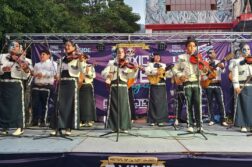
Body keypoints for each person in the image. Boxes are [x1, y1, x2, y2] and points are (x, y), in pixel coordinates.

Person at [50, 39, 85, 136]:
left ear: (74, 47)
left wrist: (81, 60)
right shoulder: (61, 60)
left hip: (71, 83)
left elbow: (83, 71)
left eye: (69, 45)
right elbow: (58, 73)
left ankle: (68, 127)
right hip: (62, 84)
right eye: (66, 45)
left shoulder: (78, 59)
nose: (67, 47)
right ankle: (57, 126)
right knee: (59, 105)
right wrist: (57, 76)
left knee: (70, 105)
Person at [173, 37, 207, 133]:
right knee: (189, 104)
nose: (191, 48)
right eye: (189, 46)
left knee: (197, 104)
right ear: (186, 47)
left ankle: (199, 125)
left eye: (193, 46)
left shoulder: (199, 58)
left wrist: (204, 70)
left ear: (196, 47)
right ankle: (190, 125)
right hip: (187, 82)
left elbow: (203, 72)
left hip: (196, 82)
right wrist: (180, 75)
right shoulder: (181, 57)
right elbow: (175, 69)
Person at [101, 47, 138, 132]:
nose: (120, 53)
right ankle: (115, 126)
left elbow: (130, 76)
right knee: (114, 107)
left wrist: (135, 70)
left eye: (122, 52)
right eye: (118, 52)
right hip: (114, 87)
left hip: (123, 87)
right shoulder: (111, 62)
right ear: (116, 54)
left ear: (124, 54)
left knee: (124, 107)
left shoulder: (127, 64)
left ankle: (124, 126)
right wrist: (108, 74)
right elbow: (103, 72)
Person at [0, 41, 32, 136]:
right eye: (13, 46)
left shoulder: (25, 59)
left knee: (17, 106)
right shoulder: (2, 56)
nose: (15, 47)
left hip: (16, 84)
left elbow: (26, 75)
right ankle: (4, 127)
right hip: (3, 85)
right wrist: (2, 69)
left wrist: (25, 67)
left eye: (17, 46)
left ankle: (19, 127)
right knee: (3, 107)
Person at [31, 49, 57, 127]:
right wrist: (35, 74)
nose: (41, 56)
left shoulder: (53, 64)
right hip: (36, 86)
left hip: (47, 86)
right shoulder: (37, 64)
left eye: (43, 54)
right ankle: (35, 121)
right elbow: (33, 73)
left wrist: (43, 74)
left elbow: (54, 73)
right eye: (41, 54)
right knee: (35, 104)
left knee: (45, 105)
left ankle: (43, 121)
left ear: (48, 55)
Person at [204, 49, 228, 127]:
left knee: (220, 102)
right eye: (211, 53)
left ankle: (223, 120)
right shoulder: (205, 62)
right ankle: (211, 119)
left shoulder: (219, 62)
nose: (213, 54)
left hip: (217, 84)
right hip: (209, 84)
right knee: (210, 102)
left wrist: (222, 67)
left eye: (214, 52)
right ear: (208, 54)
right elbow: (203, 73)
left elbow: (224, 71)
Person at [231, 43, 252, 132]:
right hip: (243, 86)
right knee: (243, 105)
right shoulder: (236, 62)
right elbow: (234, 76)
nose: (246, 51)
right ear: (240, 51)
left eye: (248, 49)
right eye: (244, 49)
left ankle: (250, 124)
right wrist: (236, 86)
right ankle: (243, 124)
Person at [144, 52, 169, 126]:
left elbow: (167, 74)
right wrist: (156, 72)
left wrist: (165, 72)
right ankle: (152, 120)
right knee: (153, 102)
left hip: (162, 85)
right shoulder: (150, 64)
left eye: (159, 56)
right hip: (154, 85)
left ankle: (160, 120)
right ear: (153, 57)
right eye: (156, 56)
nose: (157, 57)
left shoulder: (163, 65)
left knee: (162, 102)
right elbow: (146, 71)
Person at [79, 54, 96, 127]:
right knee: (80, 104)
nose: (82, 59)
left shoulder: (90, 66)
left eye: (84, 58)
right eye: (81, 57)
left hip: (87, 85)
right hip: (79, 86)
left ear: (86, 59)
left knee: (88, 104)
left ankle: (89, 120)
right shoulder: (77, 66)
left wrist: (88, 72)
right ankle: (80, 120)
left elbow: (93, 76)